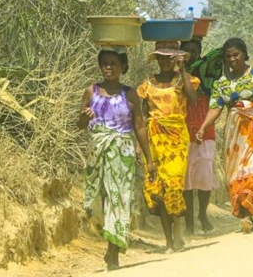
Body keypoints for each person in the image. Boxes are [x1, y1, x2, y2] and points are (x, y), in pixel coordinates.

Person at [195, 37, 253, 233]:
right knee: (238, 172)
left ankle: (248, 210)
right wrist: (203, 127)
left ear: (245, 54)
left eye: (236, 55)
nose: (232, 59)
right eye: (228, 56)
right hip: (236, 133)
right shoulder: (220, 83)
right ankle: (246, 213)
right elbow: (215, 108)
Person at [78, 46, 155, 271]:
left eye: (113, 63)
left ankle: (113, 251)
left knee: (118, 199)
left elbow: (139, 126)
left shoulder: (129, 94)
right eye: (105, 63)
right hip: (97, 153)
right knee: (97, 201)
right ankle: (109, 243)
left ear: (122, 67)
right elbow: (80, 125)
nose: (108, 67)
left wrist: (149, 159)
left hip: (122, 154)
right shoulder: (90, 91)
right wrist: (85, 117)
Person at [137, 40, 198, 252]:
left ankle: (178, 227)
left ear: (175, 59)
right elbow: (143, 116)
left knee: (173, 183)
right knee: (158, 189)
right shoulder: (148, 84)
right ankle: (169, 241)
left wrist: (183, 71)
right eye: (161, 57)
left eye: (169, 58)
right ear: (157, 59)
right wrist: (139, 145)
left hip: (177, 139)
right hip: (154, 139)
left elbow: (193, 99)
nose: (165, 61)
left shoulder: (184, 80)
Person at [179, 38, 222, 235]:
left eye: (194, 51)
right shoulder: (176, 74)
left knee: (204, 177)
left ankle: (202, 215)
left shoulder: (208, 73)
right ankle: (189, 221)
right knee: (186, 179)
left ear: (200, 53)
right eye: (186, 50)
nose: (190, 54)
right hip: (182, 131)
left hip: (205, 129)